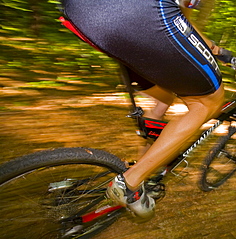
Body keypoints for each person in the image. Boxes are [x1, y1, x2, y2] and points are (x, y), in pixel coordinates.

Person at [61, 0, 226, 218]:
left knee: (164, 100)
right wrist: (218, 51)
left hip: (81, 14)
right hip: (140, 16)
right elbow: (183, 18)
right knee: (208, 102)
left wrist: (213, 48)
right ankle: (130, 183)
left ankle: (145, 166)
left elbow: (182, 17)